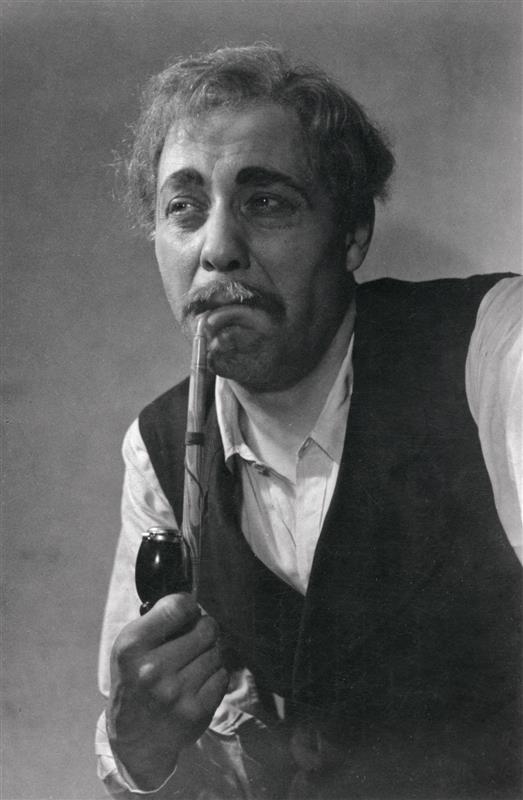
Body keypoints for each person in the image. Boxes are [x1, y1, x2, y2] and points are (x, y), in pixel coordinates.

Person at [96, 44, 522, 799]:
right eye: (184, 208)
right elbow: (160, 748)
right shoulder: (158, 452)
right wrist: (139, 751)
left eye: (266, 203)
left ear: (352, 234)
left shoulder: (490, 348)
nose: (217, 250)